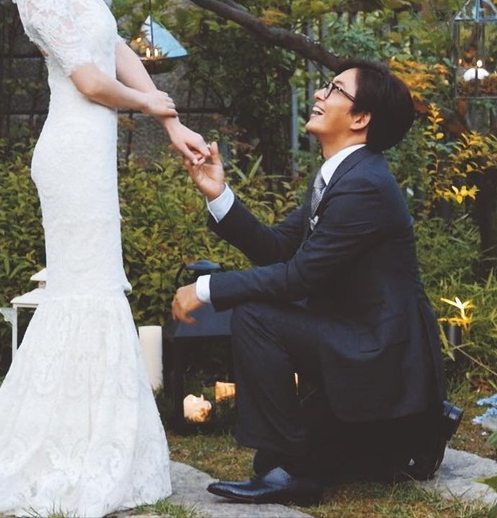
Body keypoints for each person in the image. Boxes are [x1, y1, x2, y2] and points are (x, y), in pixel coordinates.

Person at [0, 0, 208, 517]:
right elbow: (91, 83)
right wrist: (151, 107)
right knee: (83, 292)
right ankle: (67, 450)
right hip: (70, 156)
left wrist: (171, 120)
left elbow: (114, 47)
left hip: (91, 157)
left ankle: (97, 443)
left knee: (97, 289)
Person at [172, 58, 449, 507]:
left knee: (256, 316)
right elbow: (278, 248)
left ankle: (293, 470)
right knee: (260, 319)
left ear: (360, 118)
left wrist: (206, 289)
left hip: (380, 353)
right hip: (353, 337)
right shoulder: (341, 176)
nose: (320, 94)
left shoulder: (364, 185)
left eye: (335, 89)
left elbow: (298, 277)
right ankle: (295, 458)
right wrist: (218, 194)